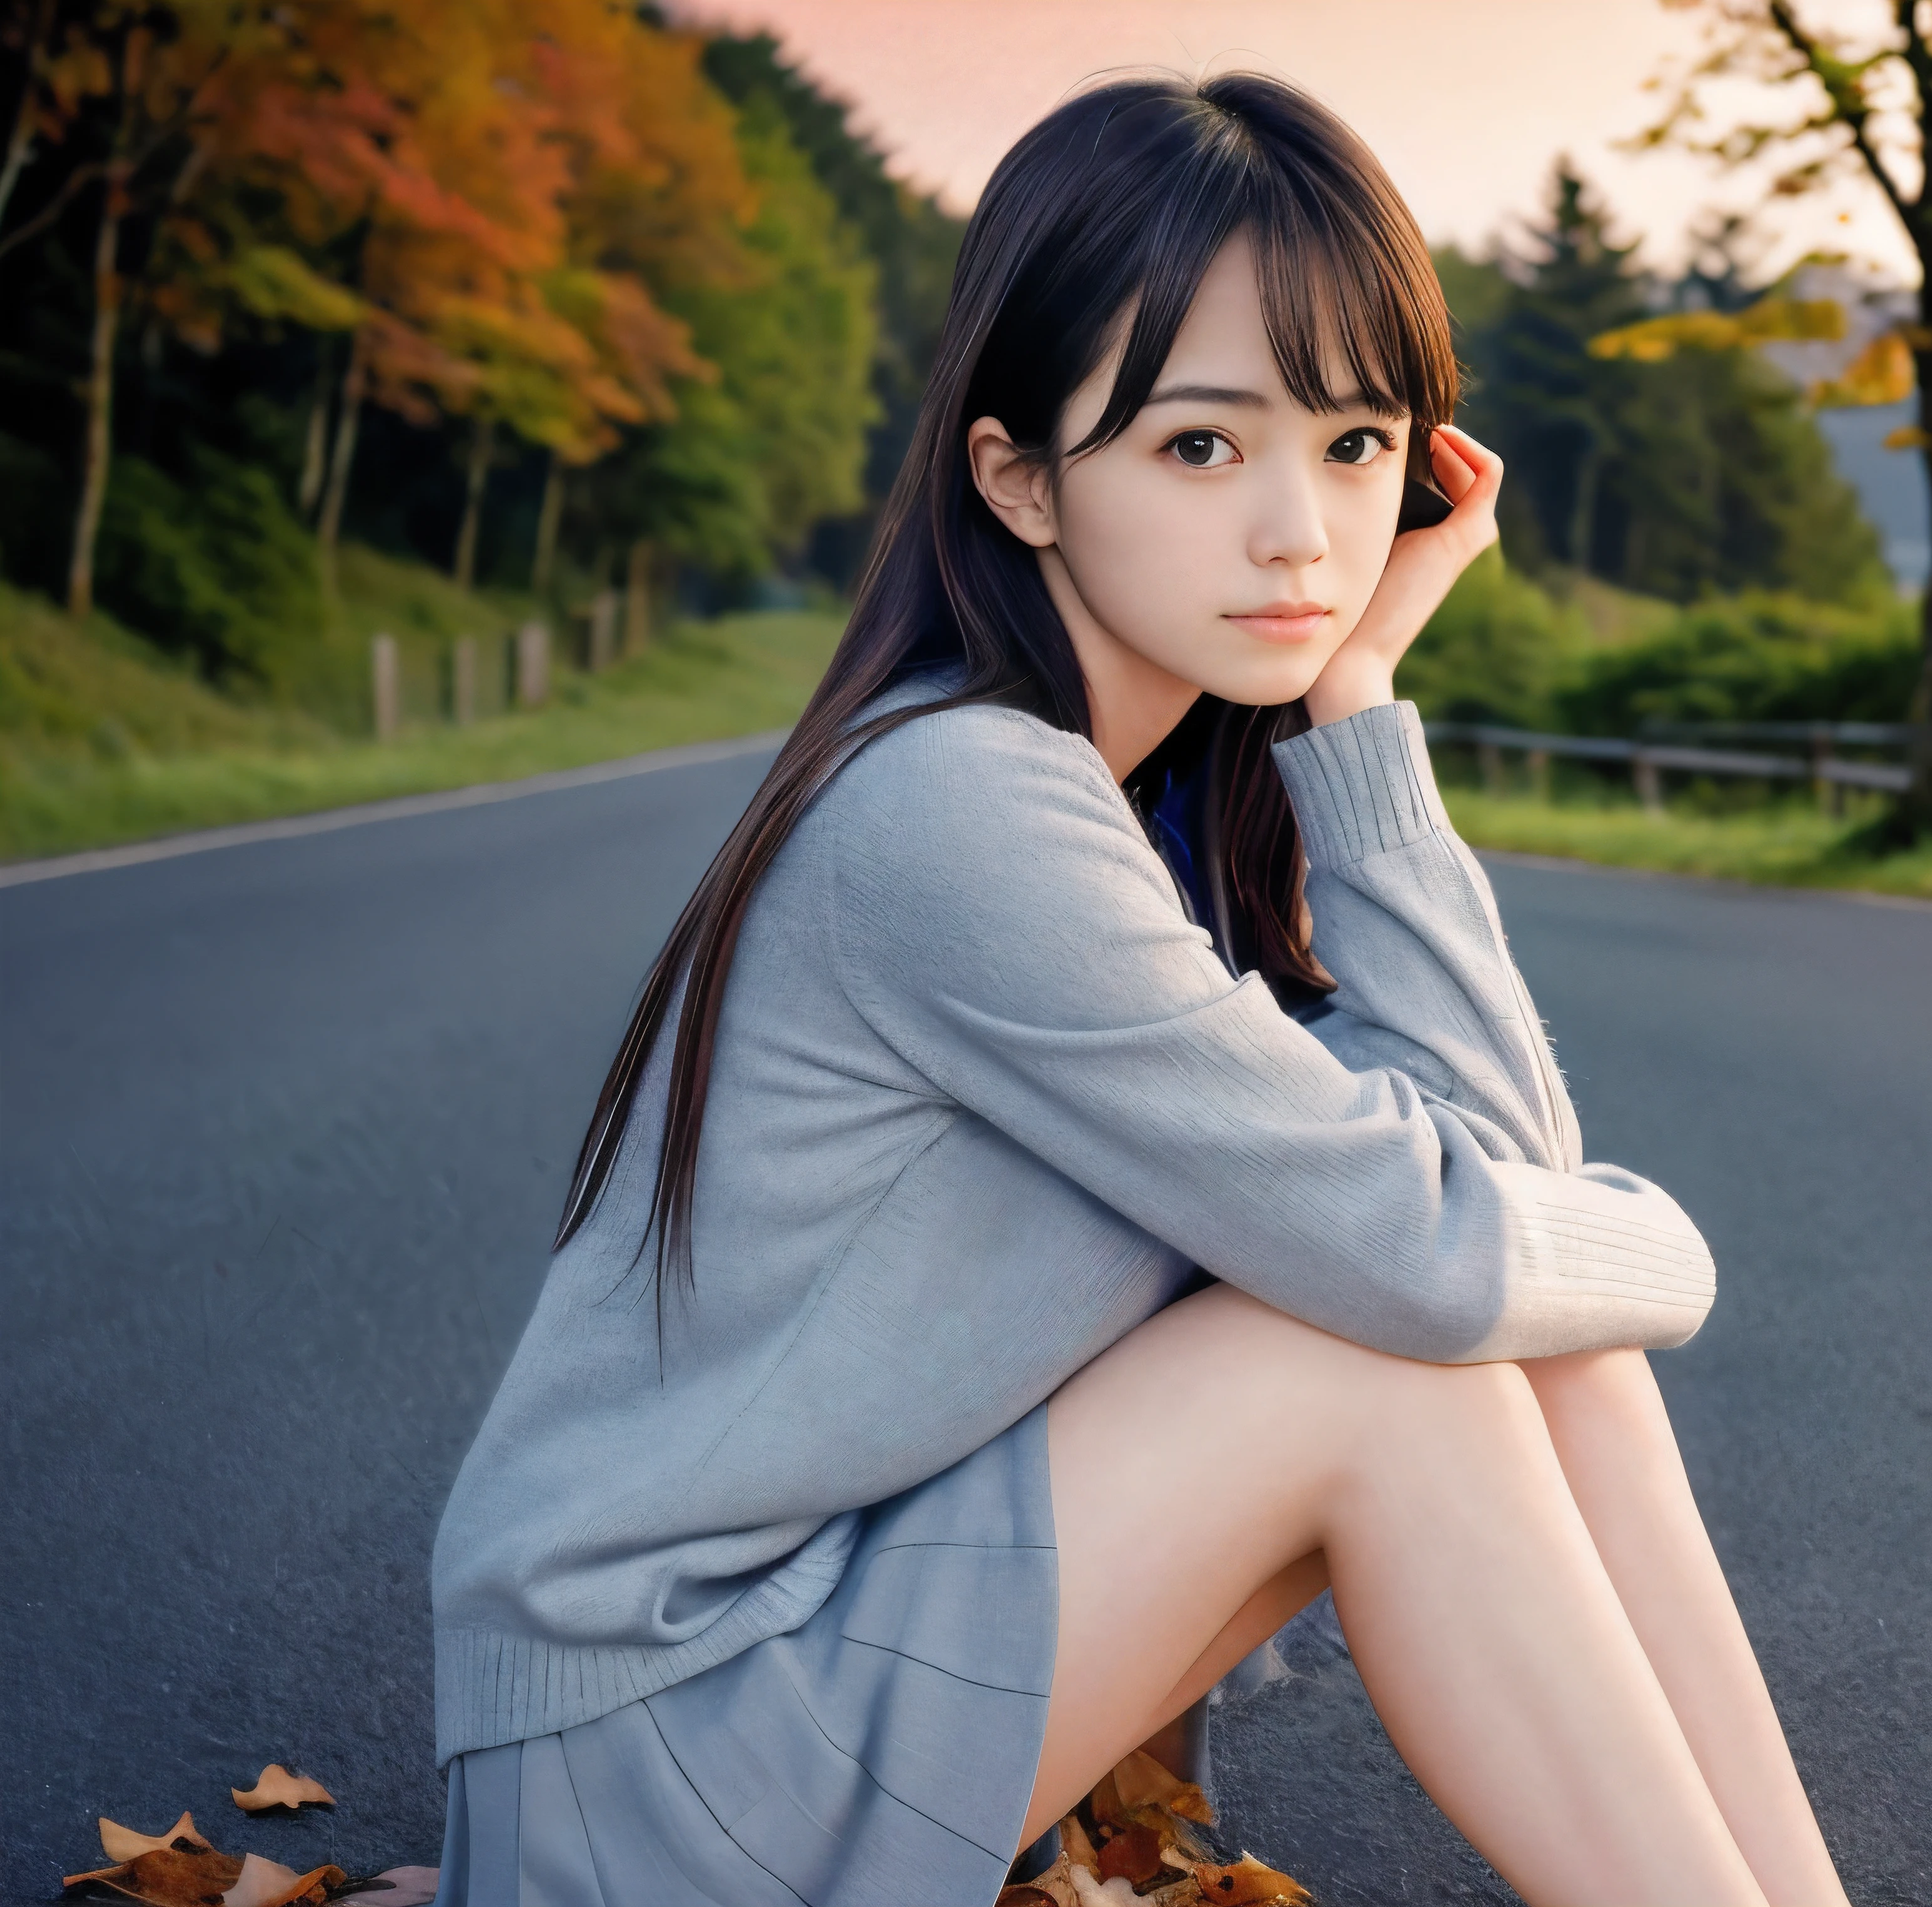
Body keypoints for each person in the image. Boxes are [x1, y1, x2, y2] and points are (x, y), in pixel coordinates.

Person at [429, 71, 1849, 1907]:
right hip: (659, 1750)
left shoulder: (1150, 797)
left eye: (1355, 447)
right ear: (1017, 475)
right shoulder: (961, 805)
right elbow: (1443, 1246)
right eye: (1202, 446)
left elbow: (1484, 1182)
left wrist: (1355, 709)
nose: (1303, 536)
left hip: (796, 1659)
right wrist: (1662, 1248)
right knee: (1413, 1363)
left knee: (1511, 1335)